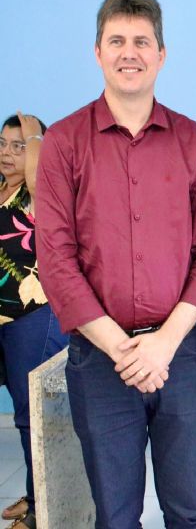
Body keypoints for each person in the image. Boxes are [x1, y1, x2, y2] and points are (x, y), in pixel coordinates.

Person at [35, 0, 196, 529]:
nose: (129, 52)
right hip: (100, 361)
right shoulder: (63, 143)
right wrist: (125, 351)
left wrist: (163, 345)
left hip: (181, 356)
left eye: (142, 41)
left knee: (189, 512)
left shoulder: (193, 140)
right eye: (116, 40)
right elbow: (56, 259)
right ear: (97, 52)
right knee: (116, 517)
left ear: (161, 55)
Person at [0, 112, 68, 529]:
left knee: (34, 416)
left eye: (18, 146)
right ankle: (34, 492)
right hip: (4, 321)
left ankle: (45, 508)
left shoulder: (37, 193)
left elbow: (39, 176)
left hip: (35, 317)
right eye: (3, 144)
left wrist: (35, 137)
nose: (8, 153)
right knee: (23, 416)